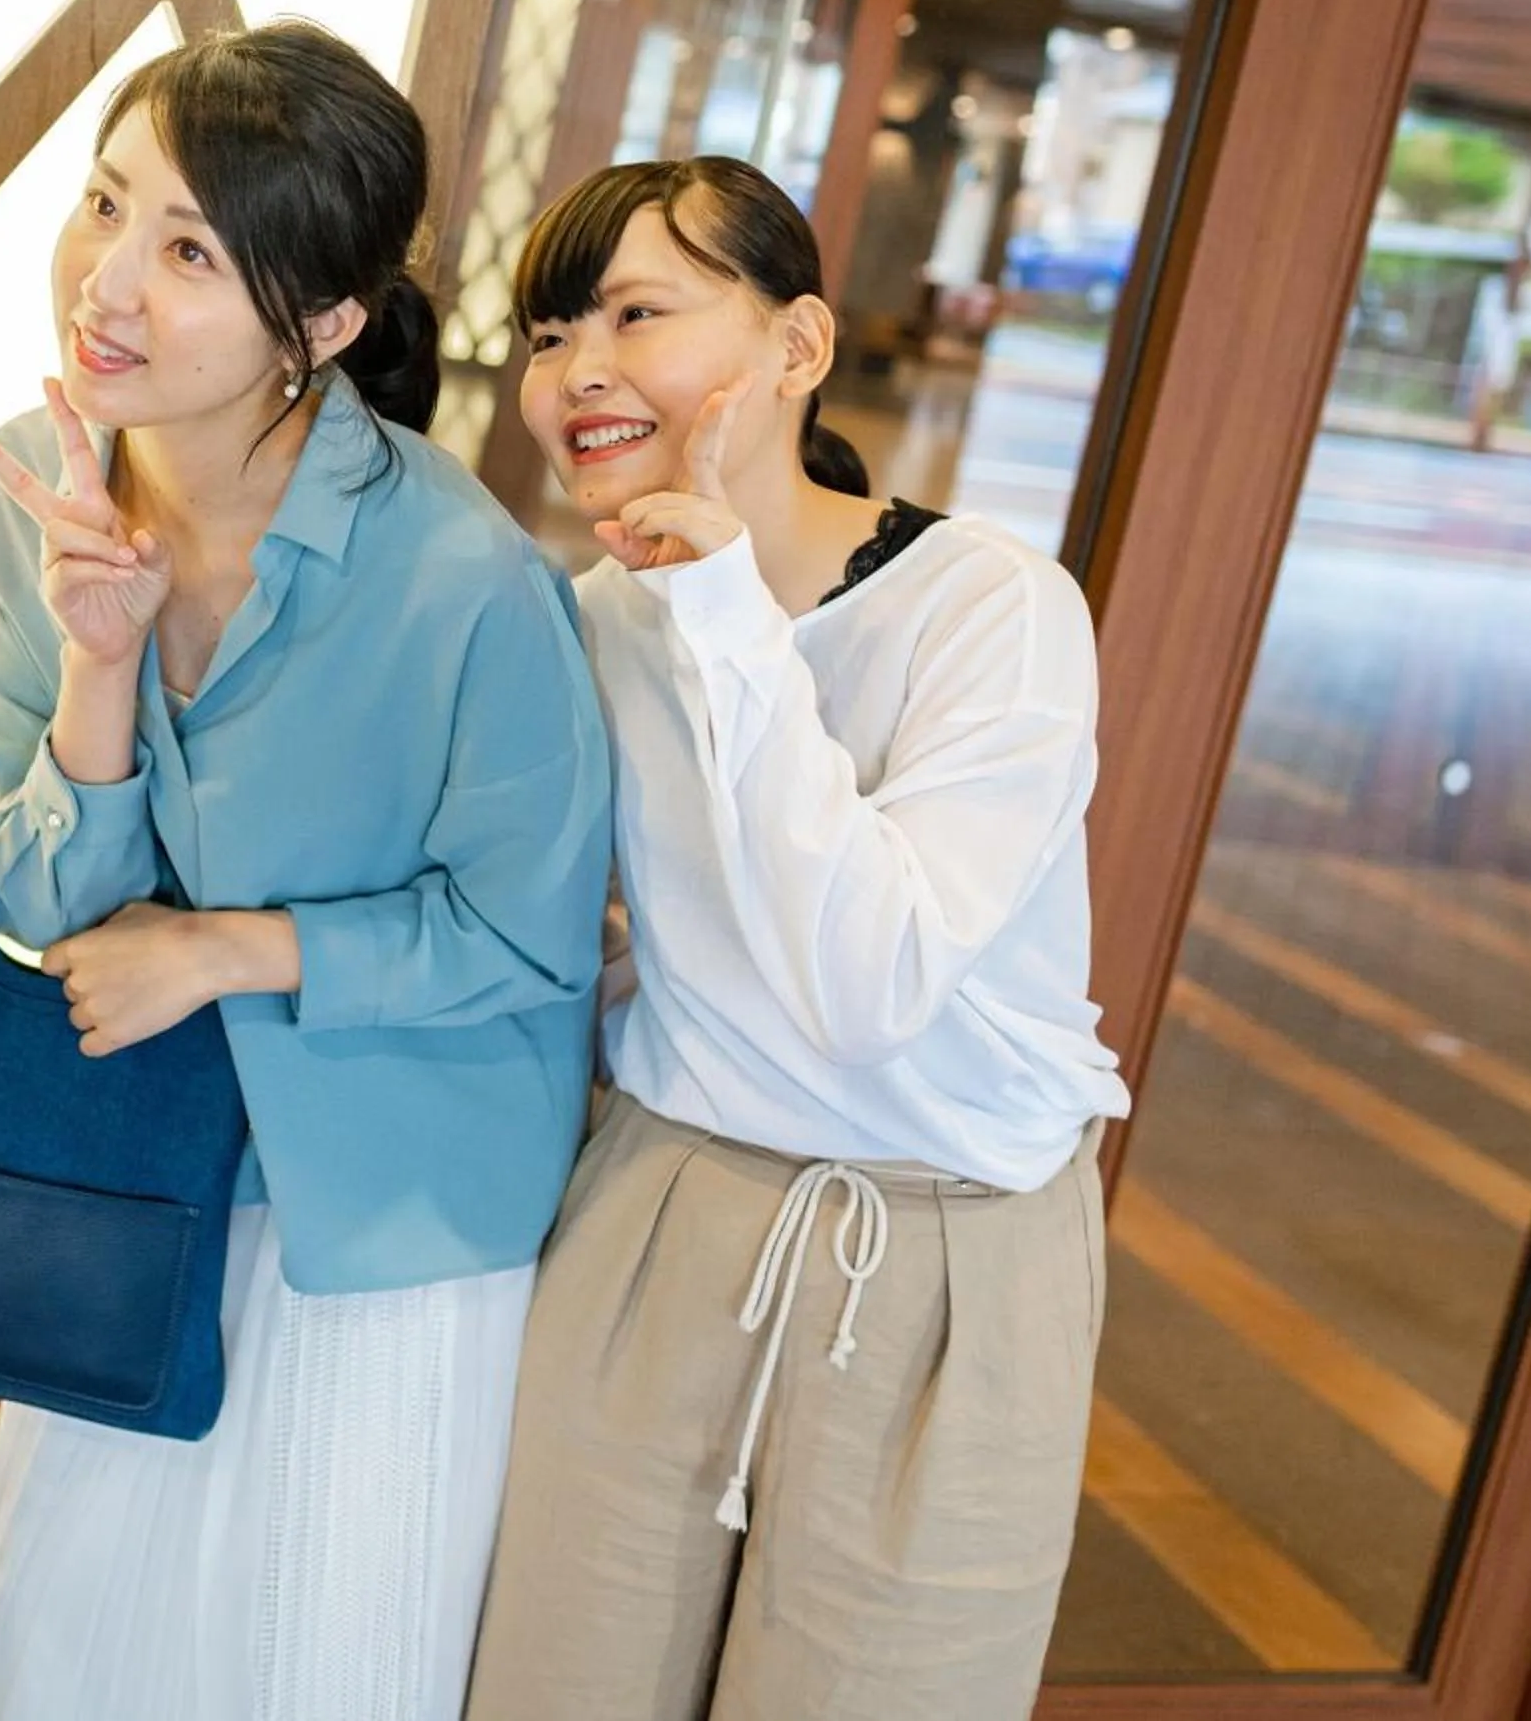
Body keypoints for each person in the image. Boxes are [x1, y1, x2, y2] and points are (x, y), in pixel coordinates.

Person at [0, 21, 613, 1721]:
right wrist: (97, 672)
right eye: (104, 205)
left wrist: (233, 946)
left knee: (317, 1668)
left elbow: (530, 933)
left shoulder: (462, 572)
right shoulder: (37, 486)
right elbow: (32, 900)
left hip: (387, 1233)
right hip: (133, 1201)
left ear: (322, 324)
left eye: (189, 252)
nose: (108, 282)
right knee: (55, 1666)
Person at [464, 156, 1130, 1721]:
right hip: (661, 1219)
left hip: (950, 1259)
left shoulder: (996, 608)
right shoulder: (589, 618)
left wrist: (723, 623)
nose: (580, 371)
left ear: (797, 346)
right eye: (550, 332)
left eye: (639, 311)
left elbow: (871, 980)